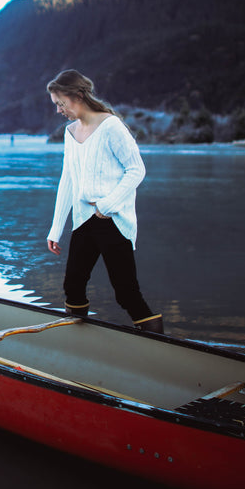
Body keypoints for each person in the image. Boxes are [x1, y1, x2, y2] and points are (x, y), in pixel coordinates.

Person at [45, 70, 163, 334]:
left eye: (60, 103)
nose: (58, 110)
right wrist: (56, 229)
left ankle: (160, 349)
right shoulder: (70, 132)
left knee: (126, 293)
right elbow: (68, 181)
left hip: (111, 221)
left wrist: (108, 205)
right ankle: (79, 342)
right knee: (73, 287)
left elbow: (136, 170)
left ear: (77, 96)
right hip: (83, 220)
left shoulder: (111, 126)